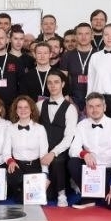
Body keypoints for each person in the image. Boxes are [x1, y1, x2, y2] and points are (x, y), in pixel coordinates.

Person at [68, 93, 111, 209]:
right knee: (73, 163)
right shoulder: (81, 125)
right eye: (91, 106)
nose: (94, 110)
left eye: (98, 106)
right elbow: (73, 149)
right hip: (90, 170)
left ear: (104, 107)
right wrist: (84, 154)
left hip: (110, 171)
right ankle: (89, 197)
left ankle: (100, 192)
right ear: (86, 109)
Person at [38, 71, 77, 207]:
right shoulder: (39, 105)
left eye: (56, 82)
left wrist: (53, 152)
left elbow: (69, 137)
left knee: (57, 160)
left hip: (61, 150)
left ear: (63, 84)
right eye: (49, 82)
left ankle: (62, 193)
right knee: (48, 196)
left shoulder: (70, 108)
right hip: (41, 149)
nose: (53, 85)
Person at [4, 95, 50, 204]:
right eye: (20, 107)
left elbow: (44, 154)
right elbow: (6, 152)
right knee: (15, 179)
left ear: (31, 110)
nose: (23, 110)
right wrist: (10, 161)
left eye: (26, 107)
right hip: (17, 166)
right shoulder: (10, 128)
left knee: (37, 198)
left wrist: (45, 174)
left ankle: (23, 191)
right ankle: (20, 189)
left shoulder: (40, 129)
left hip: (35, 166)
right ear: (16, 111)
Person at [60, 23, 95, 111]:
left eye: (87, 33)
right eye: (80, 34)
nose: (83, 37)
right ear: (75, 36)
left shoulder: (98, 55)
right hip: (72, 99)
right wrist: (67, 98)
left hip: (94, 98)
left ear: (92, 36)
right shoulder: (67, 56)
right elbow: (62, 79)